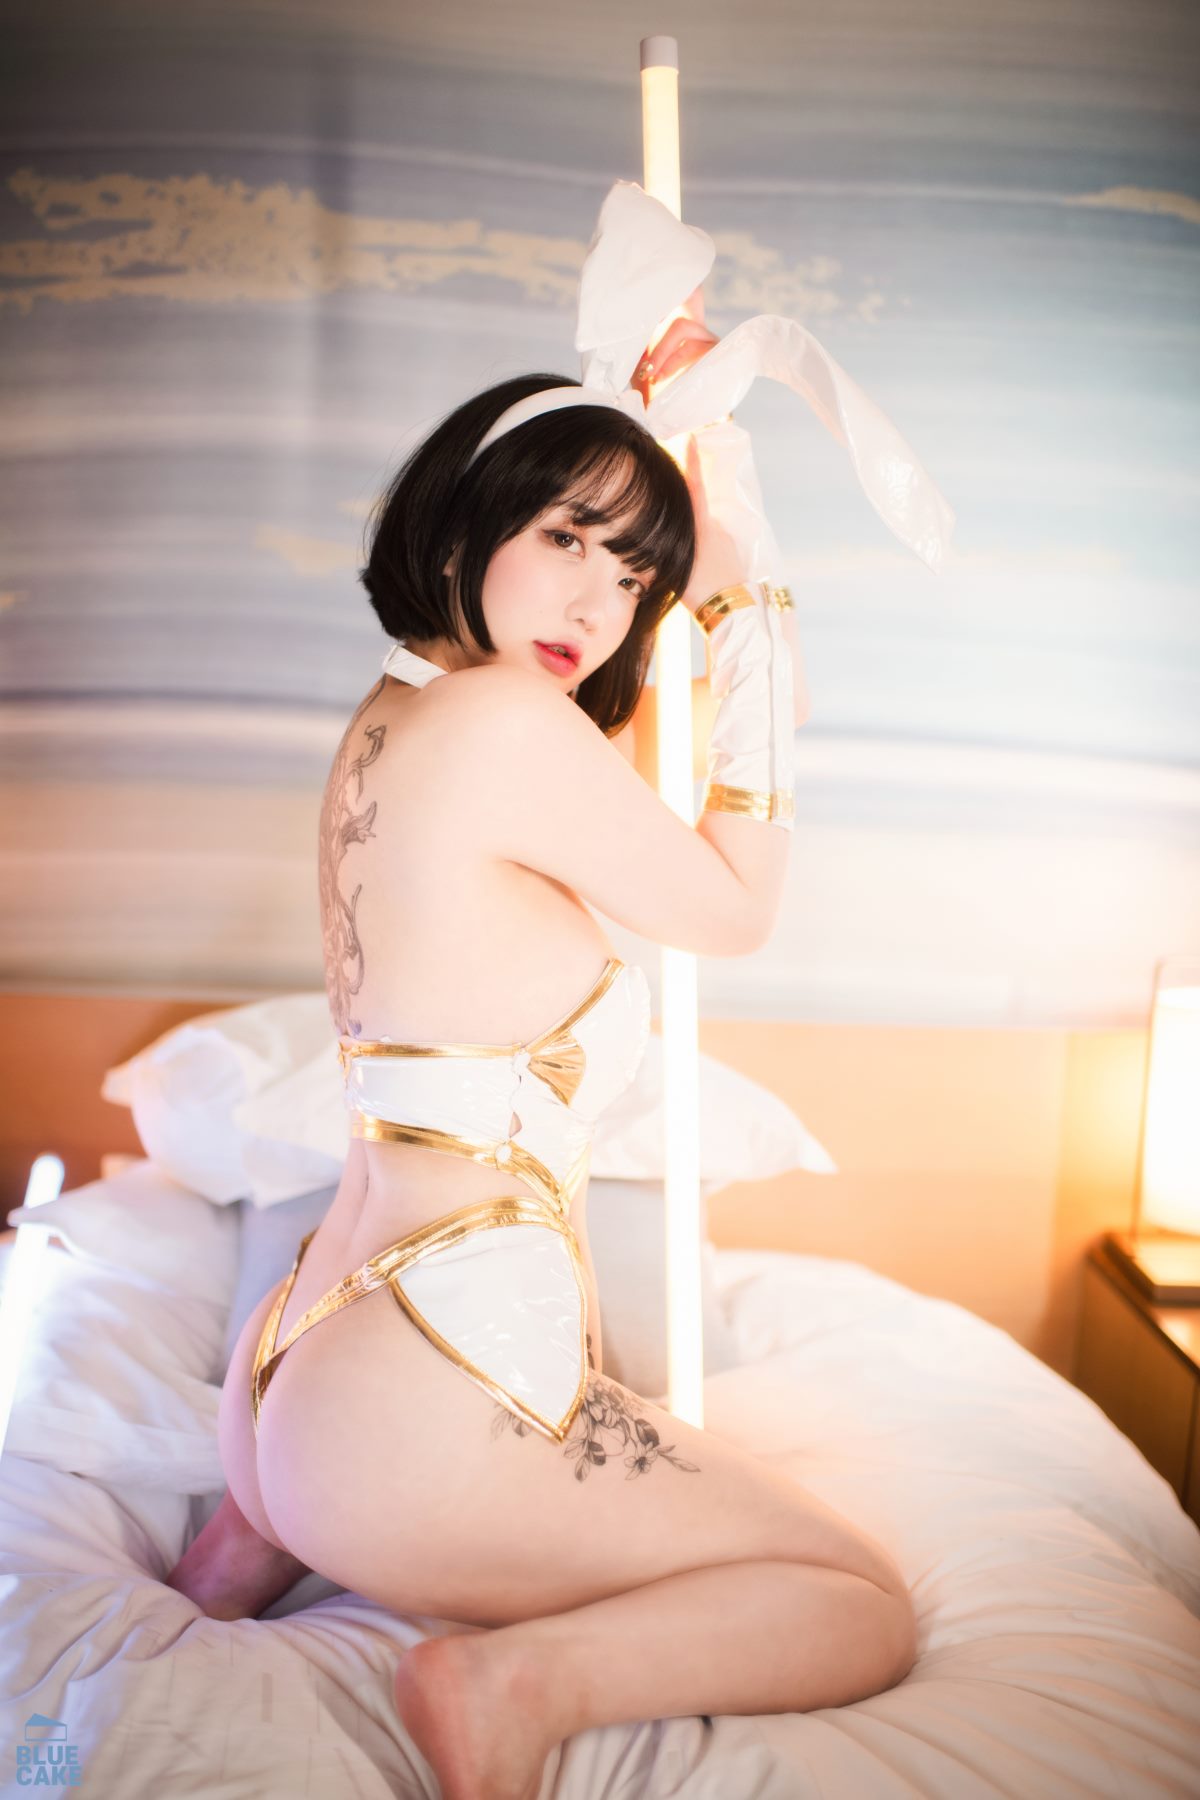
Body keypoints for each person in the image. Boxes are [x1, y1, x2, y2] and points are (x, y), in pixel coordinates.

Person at [166, 314, 917, 1800]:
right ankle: (506, 1682)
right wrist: (748, 597)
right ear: (473, 515)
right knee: (859, 1600)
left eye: (634, 575)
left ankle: (232, 1574)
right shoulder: (508, 721)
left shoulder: (403, 715)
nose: (600, 600)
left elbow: (666, 761)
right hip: (413, 1399)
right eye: (569, 537)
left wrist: (705, 504)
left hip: (295, 1384)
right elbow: (738, 906)